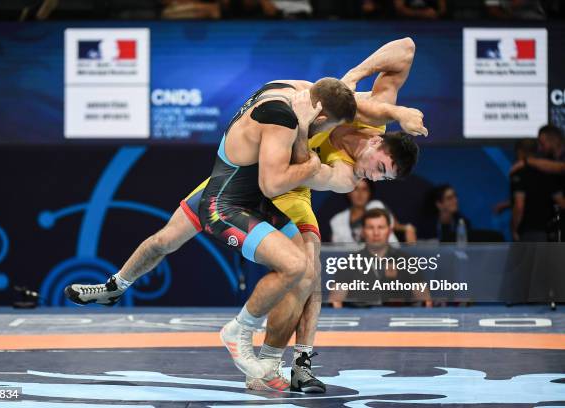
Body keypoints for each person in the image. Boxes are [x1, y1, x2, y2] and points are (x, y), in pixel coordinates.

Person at [65, 37, 424, 393]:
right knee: (165, 239)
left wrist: (308, 130)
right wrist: (363, 84)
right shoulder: (343, 105)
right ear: (376, 141)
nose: (372, 179)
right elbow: (405, 48)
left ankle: (290, 362)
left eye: (383, 178)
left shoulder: (347, 170)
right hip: (252, 174)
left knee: (308, 269)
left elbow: (300, 171)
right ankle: (115, 286)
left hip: (292, 184)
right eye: (379, 169)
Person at [329, 208, 431, 308]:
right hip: (361, 318)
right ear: (363, 232)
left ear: (389, 231)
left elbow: (425, 302)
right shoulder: (348, 262)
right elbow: (335, 302)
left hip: (399, 319)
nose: (376, 233)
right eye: (370, 228)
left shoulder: (408, 261)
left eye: (381, 227)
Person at [330, 180, 417, 244]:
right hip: (354, 263)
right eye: (356, 189)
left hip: (388, 258)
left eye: (364, 189)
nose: (360, 194)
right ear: (348, 192)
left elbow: (395, 226)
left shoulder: (377, 206)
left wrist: (408, 228)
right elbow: (336, 249)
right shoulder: (337, 220)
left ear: (370, 193)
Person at [510, 139, 563, 241]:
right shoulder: (548, 172)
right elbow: (560, 201)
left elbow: (519, 206)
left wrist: (514, 228)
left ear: (519, 151)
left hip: (529, 231)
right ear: (537, 150)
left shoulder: (519, 172)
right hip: (549, 230)